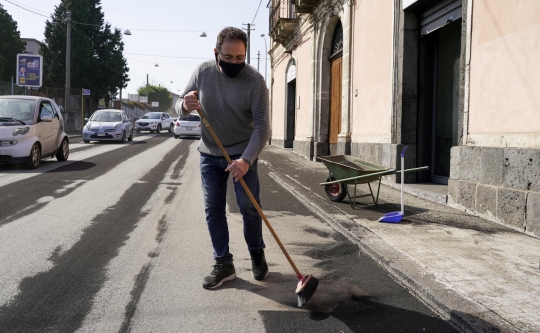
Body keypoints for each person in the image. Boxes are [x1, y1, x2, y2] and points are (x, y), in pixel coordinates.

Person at [178, 26, 270, 289]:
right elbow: (181, 105)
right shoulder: (203, 72)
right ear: (217, 52)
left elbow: (263, 127)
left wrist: (246, 160)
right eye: (229, 58)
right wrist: (185, 105)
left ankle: (256, 252)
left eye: (240, 58)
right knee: (213, 208)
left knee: (249, 207)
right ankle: (224, 263)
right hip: (210, 153)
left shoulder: (255, 81)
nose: (234, 63)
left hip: (242, 152)